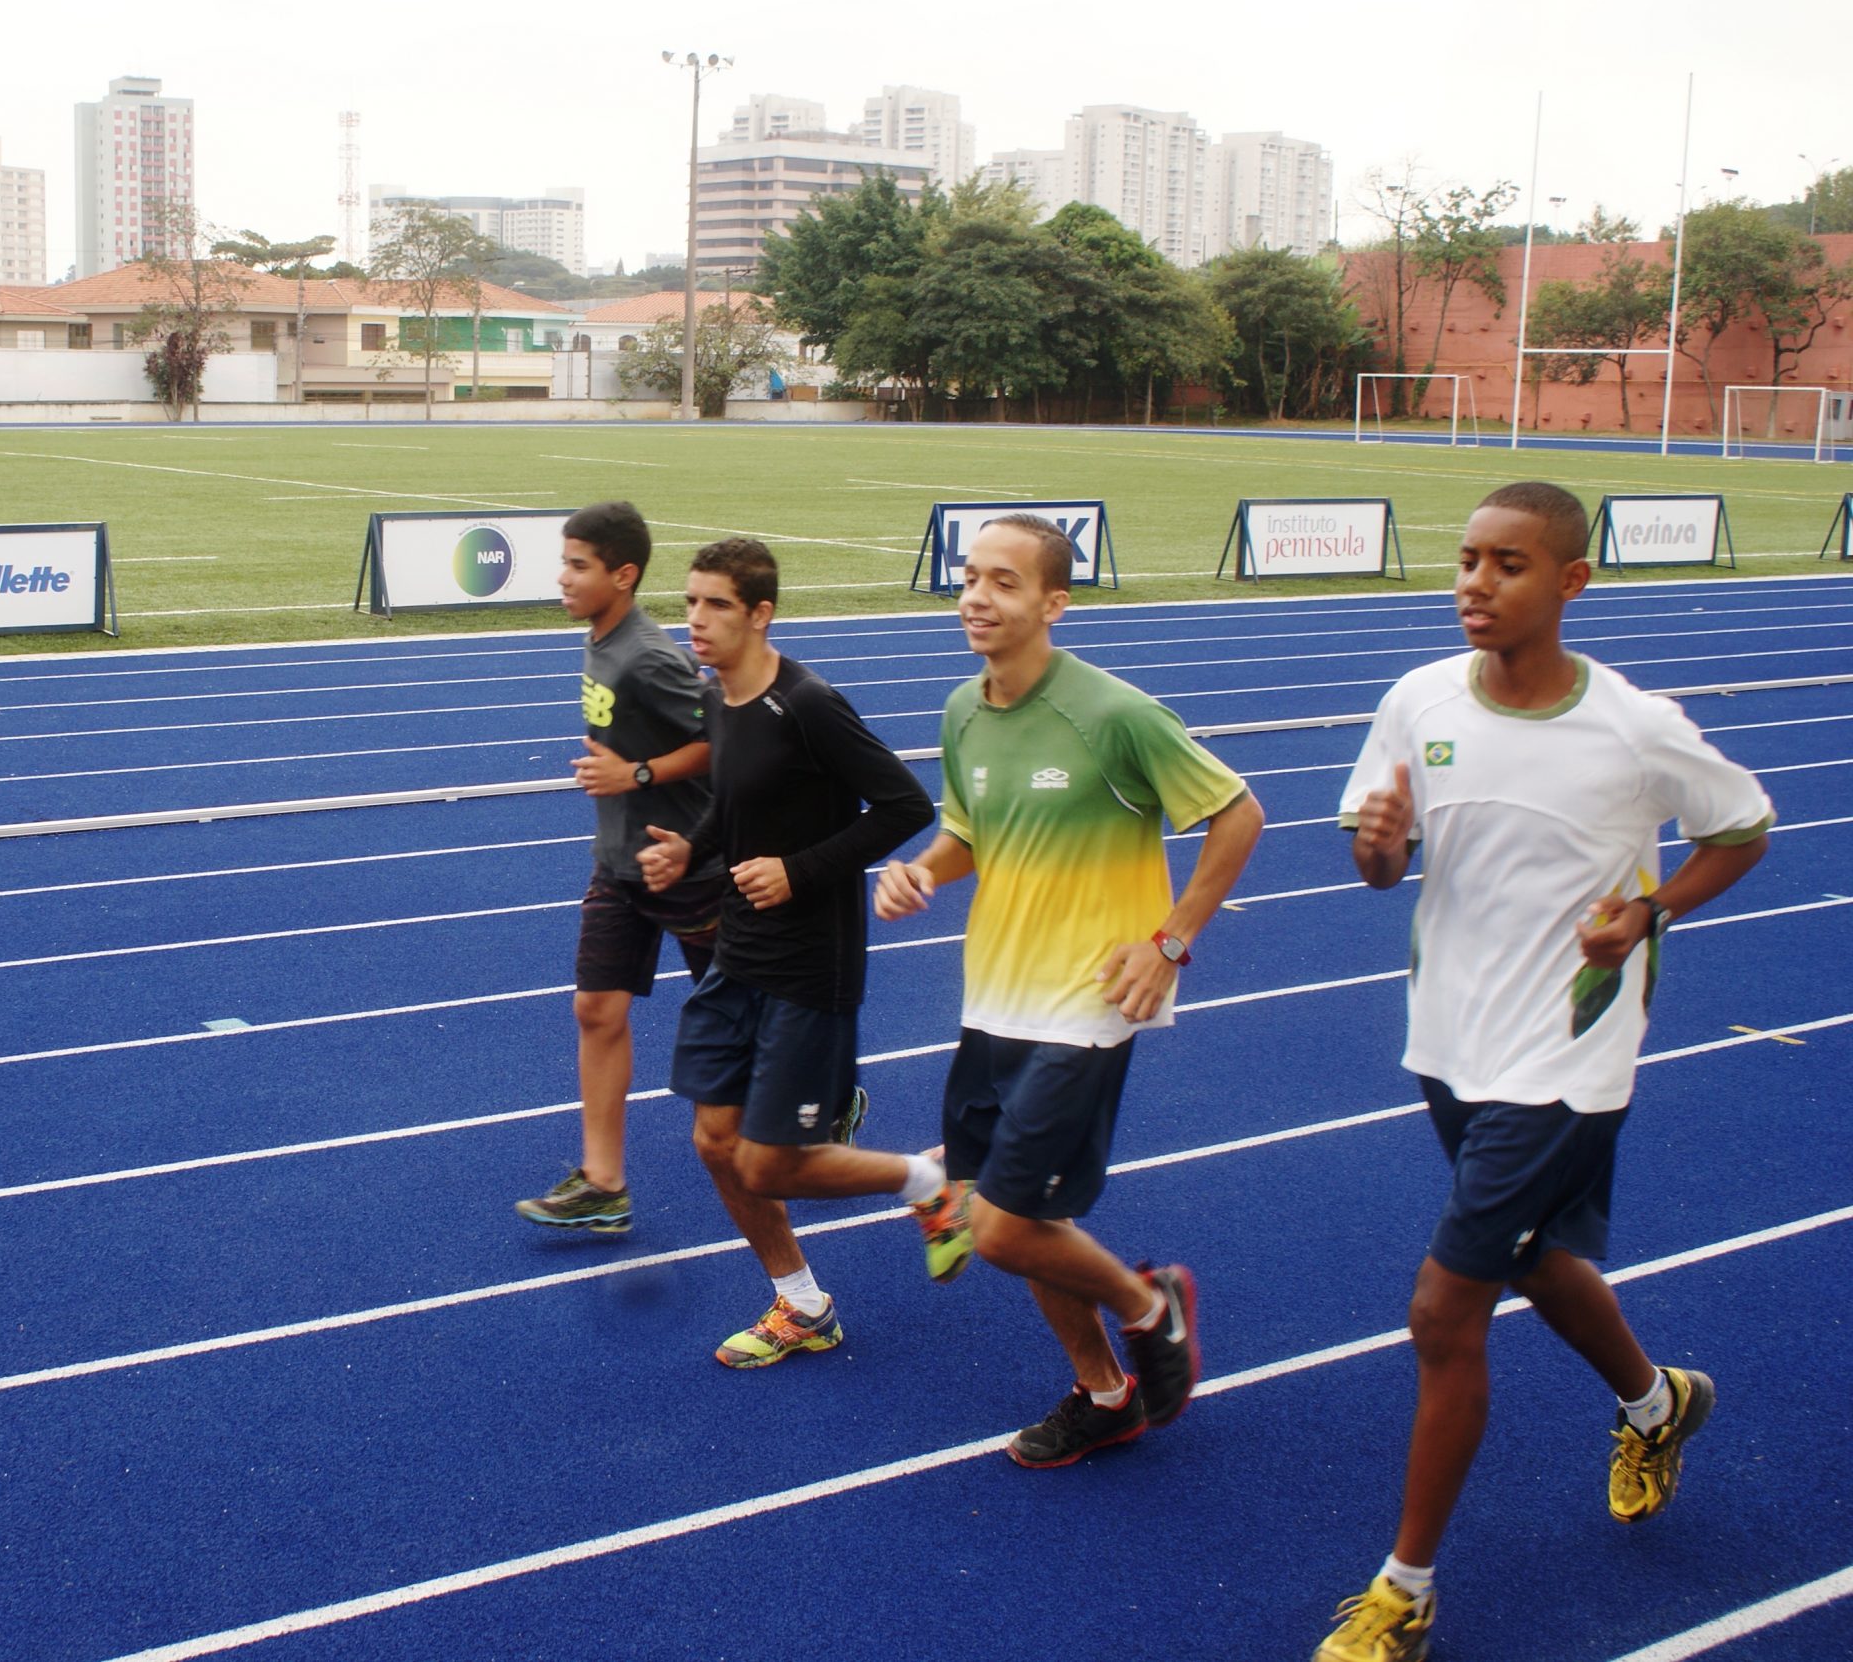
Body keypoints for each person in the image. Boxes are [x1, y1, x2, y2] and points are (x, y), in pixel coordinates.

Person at [1313, 481, 1772, 1662]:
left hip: (1567, 1062)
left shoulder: (1632, 724)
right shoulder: (1417, 698)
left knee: (1442, 1305)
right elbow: (1381, 858)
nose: (1475, 582)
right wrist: (1378, 848)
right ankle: (1659, 1401)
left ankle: (1404, 1592)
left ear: (1570, 581)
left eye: (1507, 564)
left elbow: (1742, 824)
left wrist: (1651, 912)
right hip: (1450, 1044)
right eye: (1466, 558)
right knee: (1536, 1257)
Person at [873, 516, 1264, 1465]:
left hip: (1086, 1003)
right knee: (1028, 1218)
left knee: (1001, 1229)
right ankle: (1105, 1395)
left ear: (1054, 603)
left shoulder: (1114, 714)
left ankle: (1150, 1304)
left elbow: (1238, 813)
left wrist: (1170, 942)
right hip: (994, 995)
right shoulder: (964, 708)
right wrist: (924, 869)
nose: (976, 596)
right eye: (969, 577)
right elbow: (973, 827)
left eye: (1004, 582)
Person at [634, 537, 938, 1367]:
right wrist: (687, 852)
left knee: (769, 1165)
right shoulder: (718, 698)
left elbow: (905, 803)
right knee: (713, 1142)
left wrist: (800, 872)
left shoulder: (806, 703)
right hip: (740, 950)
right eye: (690, 601)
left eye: (716, 605)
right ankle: (801, 1304)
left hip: (812, 963)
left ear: (760, 613)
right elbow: (734, 810)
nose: (695, 619)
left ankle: (929, 1181)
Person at [515, 501, 720, 1236]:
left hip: (684, 863)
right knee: (596, 1009)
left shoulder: (649, 655)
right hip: (619, 864)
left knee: (745, 1016)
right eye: (564, 562)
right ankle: (605, 1184)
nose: (562, 579)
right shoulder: (601, 639)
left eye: (578, 566)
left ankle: (827, 1092)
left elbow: (721, 739)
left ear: (623, 575)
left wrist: (635, 775)